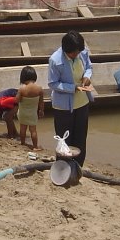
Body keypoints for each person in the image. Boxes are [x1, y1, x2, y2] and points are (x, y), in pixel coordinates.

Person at [47, 31, 94, 167]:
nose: (76, 55)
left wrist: (87, 76)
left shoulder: (83, 53)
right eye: (73, 53)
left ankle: (78, 167)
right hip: (63, 107)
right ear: (66, 50)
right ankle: (63, 167)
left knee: (80, 139)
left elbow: (89, 67)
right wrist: (72, 88)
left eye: (78, 52)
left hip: (82, 103)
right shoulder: (55, 60)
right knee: (64, 140)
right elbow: (52, 83)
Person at [16, 66, 45, 150]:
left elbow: (17, 100)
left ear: (23, 77)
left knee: (22, 128)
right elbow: (41, 102)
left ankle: (23, 142)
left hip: (22, 113)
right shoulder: (39, 89)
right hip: (33, 113)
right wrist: (41, 111)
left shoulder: (22, 89)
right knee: (33, 130)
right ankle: (35, 146)